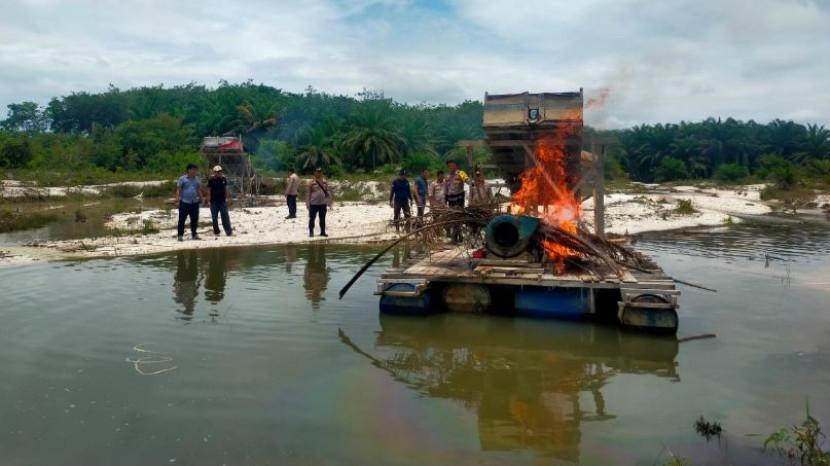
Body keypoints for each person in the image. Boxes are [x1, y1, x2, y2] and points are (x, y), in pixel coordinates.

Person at [175, 163, 203, 241]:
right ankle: (180, 235)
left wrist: (201, 199)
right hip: (184, 202)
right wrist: (177, 200)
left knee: (194, 219)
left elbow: (198, 189)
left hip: (194, 202)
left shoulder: (197, 179)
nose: (195, 171)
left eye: (195, 170)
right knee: (182, 219)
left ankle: (194, 234)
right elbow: (178, 190)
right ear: (189, 170)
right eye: (193, 169)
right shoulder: (182, 179)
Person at [206, 165, 233, 237]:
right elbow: (209, 191)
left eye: (220, 171)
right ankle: (216, 232)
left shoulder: (223, 179)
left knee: (225, 216)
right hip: (213, 201)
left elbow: (225, 189)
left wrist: (228, 198)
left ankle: (228, 232)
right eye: (217, 172)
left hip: (222, 201)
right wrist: (208, 201)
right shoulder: (211, 179)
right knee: (214, 218)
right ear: (214, 172)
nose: (219, 173)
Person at [307, 168, 331, 237]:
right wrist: (307, 203)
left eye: (320, 172)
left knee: (322, 219)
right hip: (313, 203)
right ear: (314, 173)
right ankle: (311, 232)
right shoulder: (311, 182)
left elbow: (327, 191)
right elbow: (308, 193)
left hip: (323, 204)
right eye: (317, 172)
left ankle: (323, 232)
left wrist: (329, 201)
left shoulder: (325, 181)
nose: (319, 173)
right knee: (312, 218)